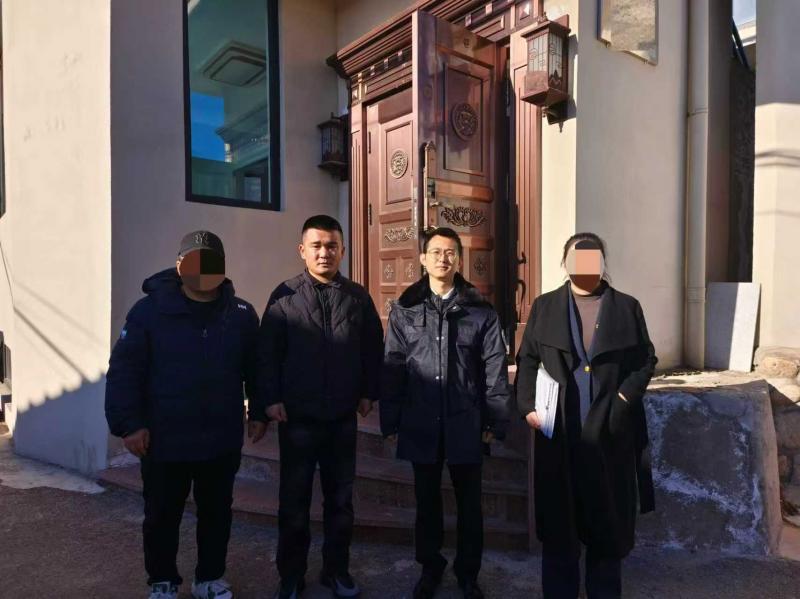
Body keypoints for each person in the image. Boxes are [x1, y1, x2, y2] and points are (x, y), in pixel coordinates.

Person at [105, 230, 268, 599]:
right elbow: (125, 371)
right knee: (162, 515)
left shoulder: (241, 314)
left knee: (217, 512)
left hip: (220, 438)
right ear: (180, 265)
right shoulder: (148, 312)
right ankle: (162, 581)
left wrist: (259, 410)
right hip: (165, 439)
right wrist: (129, 424)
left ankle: (209, 578)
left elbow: (256, 369)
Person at [515, 232, 657, 599]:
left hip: (610, 434)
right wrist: (528, 406)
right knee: (559, 531)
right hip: (560, 432)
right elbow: (527, 359)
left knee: (606, 529)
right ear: (565, 264)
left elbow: (645, 360)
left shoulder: (626, 307)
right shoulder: (545, 306)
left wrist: (623, 397)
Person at [380, 227, 510, 599]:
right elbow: (393, 366)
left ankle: (468, 574)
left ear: (459, 260)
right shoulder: (405, 309)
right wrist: (391, 421)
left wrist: (496, 419)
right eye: (435, 252)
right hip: (420, 419)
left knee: (470, 504)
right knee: (426, 502)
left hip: (465, 420)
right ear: (423, 259)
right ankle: (430, 568)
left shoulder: (480, 311)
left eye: (450, 252)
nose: (443, 258)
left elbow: (494, 368)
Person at [258, 215, 383, 599]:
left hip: (341, 418)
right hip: (298, 418)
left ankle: (336, 570)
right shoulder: (284, 296)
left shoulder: (358, 298)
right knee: (293, 502)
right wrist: (270, 399)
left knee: (340, 501)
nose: (324, 252)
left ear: (343, 250)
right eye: (316, 246)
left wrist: (368, 392)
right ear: (302, 250)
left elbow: (372, 350)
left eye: (331, 246)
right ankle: (291, 576)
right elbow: (267, 355)